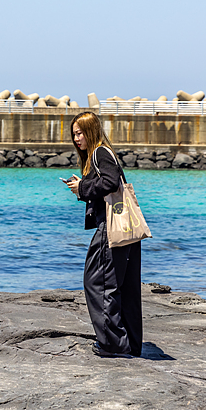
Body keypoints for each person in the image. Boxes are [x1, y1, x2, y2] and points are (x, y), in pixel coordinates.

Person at [63, 111, 142, 358]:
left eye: (80, 133)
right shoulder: (104, 153)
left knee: (98, 282)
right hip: (125, 228)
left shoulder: (99, 153)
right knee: (124, 286)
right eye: (74, 134)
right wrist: (83, 187)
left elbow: (110, 182)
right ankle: (129, 344)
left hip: (111, 227)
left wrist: (82, 187)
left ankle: (112, 343)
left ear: (91, 131)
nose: (77, 139)